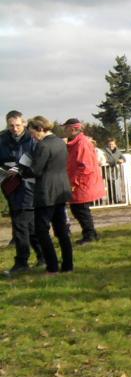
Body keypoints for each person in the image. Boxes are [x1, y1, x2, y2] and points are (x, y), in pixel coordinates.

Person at [20, 117, 73, 273]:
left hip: (46, 192)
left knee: (41, 231)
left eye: (32, 132)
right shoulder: (59, 142)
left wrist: (22, 170)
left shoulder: (43, 146)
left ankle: (52, 266)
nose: (32, 136)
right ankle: (68, 266)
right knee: (62, 230)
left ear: (40, 129)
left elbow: (35, 170)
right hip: (61, 189)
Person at [1, 110, 40, 276]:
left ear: (24, 123)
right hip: (10, 186)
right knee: (30, 228)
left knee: (21, 225)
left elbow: (34, 160)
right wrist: (6, 171)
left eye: (17, 125)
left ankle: (22, 261)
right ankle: (43, 256)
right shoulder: (2, 140)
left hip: (29, 187)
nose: (15, 128)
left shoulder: (32, 139)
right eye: (11, 125)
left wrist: (18, 168)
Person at [63, 119, 105, 243]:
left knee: (80, 210)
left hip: (82, 183)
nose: (64, 131)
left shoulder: (81, 143)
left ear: (72, 129)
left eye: (65, 128)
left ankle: (89, 235)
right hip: (82, 182)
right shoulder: (80, 142)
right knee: (80, 210)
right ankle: (91, 233)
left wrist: (74, 182)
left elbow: (85, 167)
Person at [103, 138, 126, 204]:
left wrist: (122, 160)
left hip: (115, 170)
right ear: (107, 144)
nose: (111, 145)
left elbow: (124, 158)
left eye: (112, 144)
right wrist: (117, 161)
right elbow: (106, 160)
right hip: (108, 170)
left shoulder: (118, 151)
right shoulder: (104, 151)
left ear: (115, 144)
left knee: (117, 185)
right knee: (110, 185)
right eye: (110, 144)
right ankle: (111, 200)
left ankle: (118, 199)